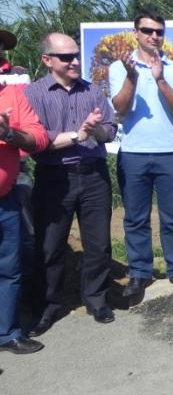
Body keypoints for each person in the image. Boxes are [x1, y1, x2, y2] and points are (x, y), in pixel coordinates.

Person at [25, 33, 118, 334]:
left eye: (76, 55)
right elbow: (37, 142)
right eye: (66, 57)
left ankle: (97, 299)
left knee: (99, 243)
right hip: (55, 178)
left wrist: (96, 131)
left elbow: (109, 130)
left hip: (93, 174)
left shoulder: (92, 91)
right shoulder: (34, 95)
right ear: (47, 60)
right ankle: (49, 305)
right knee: (50, 246)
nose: (75, 61)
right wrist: (78, 134)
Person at [109, 10, 173, 298]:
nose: (154, 36)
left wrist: (160, 80)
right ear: (136, 33)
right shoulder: (120, 67)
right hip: (134, 153)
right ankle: (140, 272)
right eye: (148, 30)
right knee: (136, 218)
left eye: (159, 31)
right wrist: (132, 77)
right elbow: (120, 110)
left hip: (171, 152)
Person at [0, 84, 49, 353]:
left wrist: (8, 133)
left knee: (9, 270)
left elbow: (38, 138)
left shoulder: (12, 95)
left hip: (5, 200)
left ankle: (7, 333)